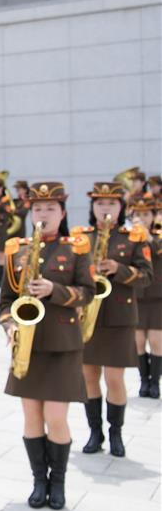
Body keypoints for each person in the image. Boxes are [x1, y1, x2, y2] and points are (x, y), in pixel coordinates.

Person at [0, 182, 94, 510]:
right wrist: (10, 327)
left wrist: (54, 289)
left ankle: (59, 483)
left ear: (62, 213)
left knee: (56, 416)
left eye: (50, 208)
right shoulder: (17, 249)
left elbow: (88, 292)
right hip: (28, 346)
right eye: (37, 208)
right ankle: (39, 480)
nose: (43, 214)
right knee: (31, 415)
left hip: (63, 344)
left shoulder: (77, 248)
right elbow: (6, 301)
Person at [77, 181, 152, 458]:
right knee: (88, 376)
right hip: (88, 317)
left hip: (120, 316)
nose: (105, 208)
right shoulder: (81, 238)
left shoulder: (133, 236)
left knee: (115, 378)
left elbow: (147, 276)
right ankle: (94, 433)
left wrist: (119, 269)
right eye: (99, 203)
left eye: (111, 203)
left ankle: (115, 433)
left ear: (121, 207)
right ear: (92, 207)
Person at [132, 194, 161, 398]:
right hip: (137, 297)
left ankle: (155, 382)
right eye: (138, 214)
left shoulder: (158, 237)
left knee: (157, 340)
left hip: (158, 297)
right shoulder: (130, 238)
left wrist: (149, 238)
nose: (142, 218)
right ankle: (144, 380)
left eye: (146, 214)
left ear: (153, 215)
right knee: (139, 341)